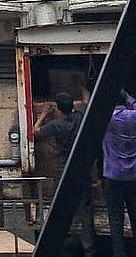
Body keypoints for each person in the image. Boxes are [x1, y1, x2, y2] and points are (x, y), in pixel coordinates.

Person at [33, 88, 96, 256]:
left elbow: (34, 132)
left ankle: (57, 244)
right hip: (81, 171)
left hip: (63, 172)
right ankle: (89, 249)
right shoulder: (80, 118)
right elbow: (87, 103)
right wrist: (84, 88)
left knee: (60, 209)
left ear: (58, 109)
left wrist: (44, 113)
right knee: (85, 210)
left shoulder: (56, 125)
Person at [102, 91, 136, 257]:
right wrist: (127, 95)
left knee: (116, 220)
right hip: (135, 175)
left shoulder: (108, 119)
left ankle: (119, 254)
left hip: (113, 177)